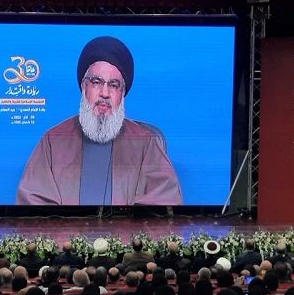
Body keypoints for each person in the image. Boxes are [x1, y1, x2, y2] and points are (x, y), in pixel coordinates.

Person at [17, 36, 182, 206]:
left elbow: (165, 200)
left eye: (114, 85)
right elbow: (33, 203)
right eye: (96, 82)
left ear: (122, 93)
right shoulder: (53, 140)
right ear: (84, 86)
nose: (104, 93)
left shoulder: (145, 143)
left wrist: (122, 222)